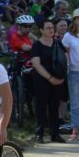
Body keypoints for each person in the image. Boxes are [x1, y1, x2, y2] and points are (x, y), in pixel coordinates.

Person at [28, 19, 67, 143]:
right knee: (41, 106)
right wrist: (50, 78)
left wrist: (60, 77)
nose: (51, 30)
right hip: (42, 80)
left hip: (58, 79)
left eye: (52, 27)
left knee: (54, 107)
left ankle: (55, 133)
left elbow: (64, 59)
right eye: (48, 28)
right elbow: (36, 64)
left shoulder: (57, 43)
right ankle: (39, 133)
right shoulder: (37, 46)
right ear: (41, 30)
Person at [63, 11, 79, 141]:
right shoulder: (68, 36)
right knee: (75, 102)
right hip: (74, 71)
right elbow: (65, 52)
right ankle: (75, 129)